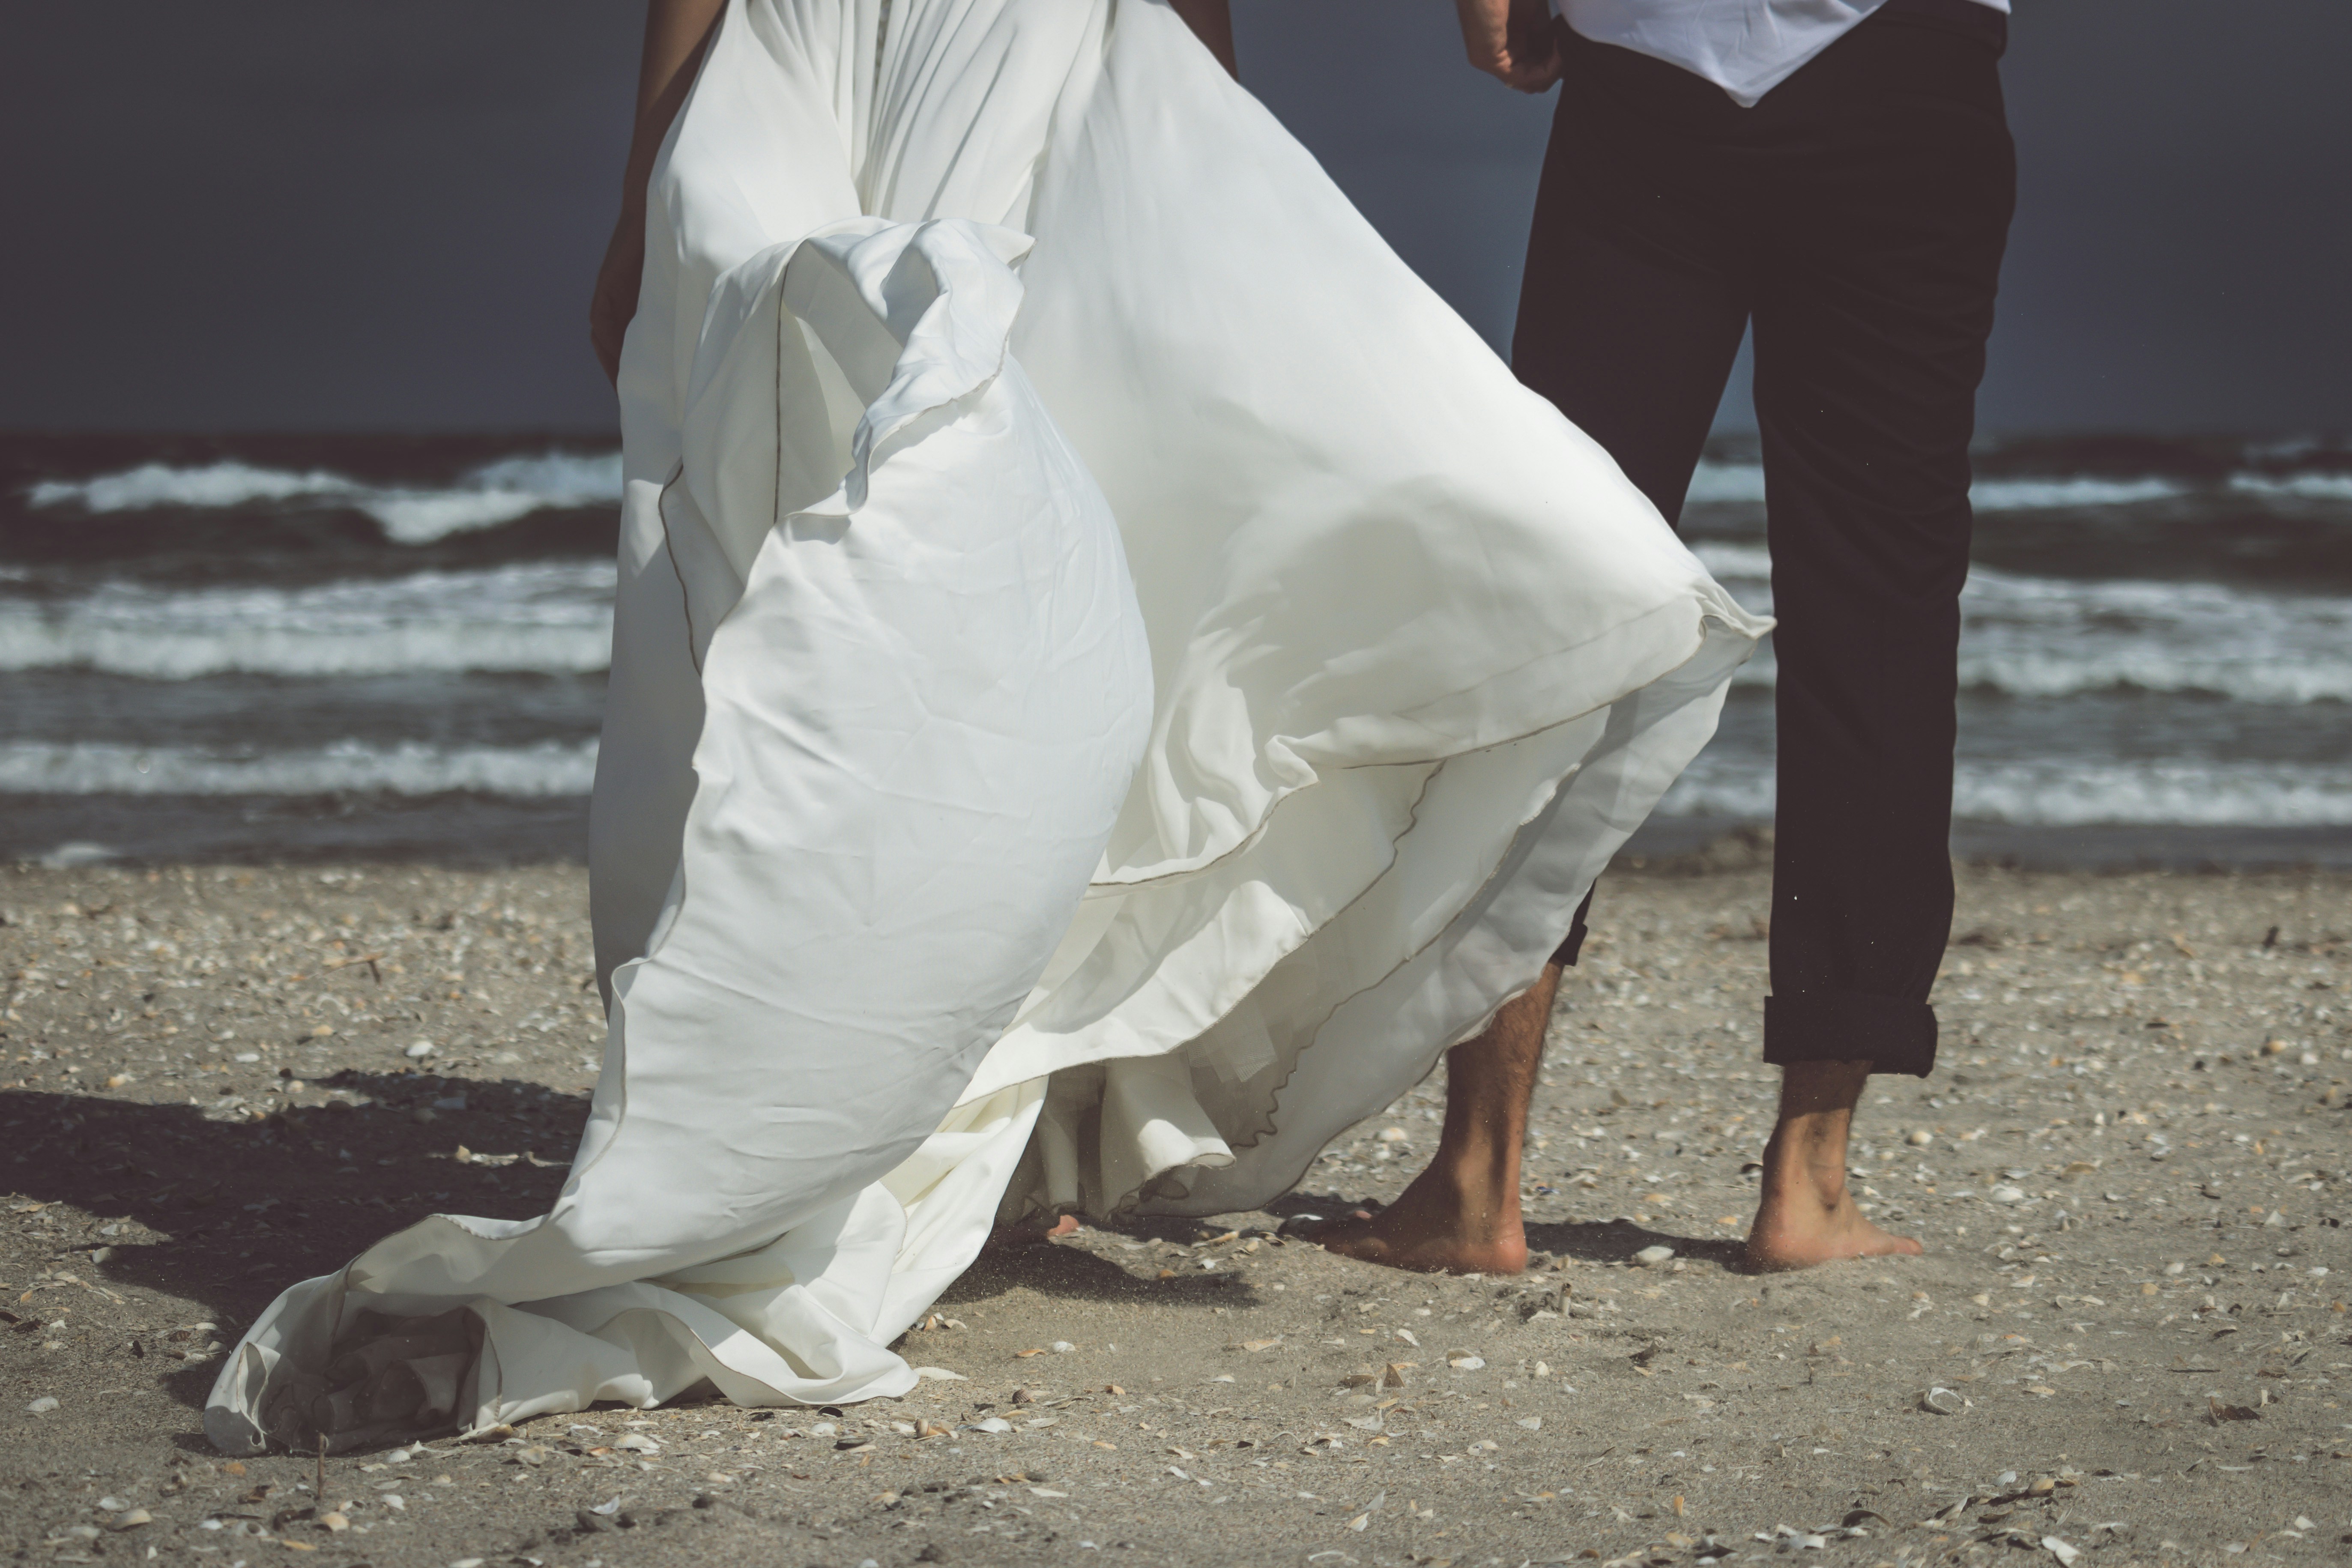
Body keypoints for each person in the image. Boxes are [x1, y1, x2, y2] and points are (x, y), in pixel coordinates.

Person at [205, 0, 1768, 1454]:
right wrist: (1202, 117)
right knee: (954, 493)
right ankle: (924, 1107)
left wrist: (646, 183)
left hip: (915, 51)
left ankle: (941, 1104)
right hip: (949, 47)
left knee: (869, 506)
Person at [1318, 0, 2013, 1276]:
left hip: (1659, 61)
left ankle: (1478, 1177)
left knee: (1562, 592)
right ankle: (1808, 1187)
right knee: (1875, 617)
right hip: (1885, 66)